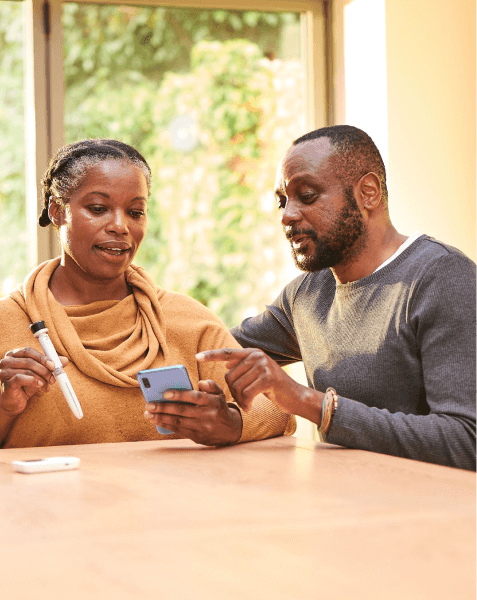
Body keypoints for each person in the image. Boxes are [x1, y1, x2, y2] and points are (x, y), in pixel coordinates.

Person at [147, 125, 476, 470]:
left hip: (435, 513)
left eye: (306, 195)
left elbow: (468, 440)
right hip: (345, 504)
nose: (287, 215)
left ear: (368, 193)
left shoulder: (443, 278)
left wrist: (309, 402)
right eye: (282, 201)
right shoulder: (307, 294)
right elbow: (216, 350)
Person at [0, 139, 294, 448]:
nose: (120, 227)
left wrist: (229, 423)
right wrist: (4, 408)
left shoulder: (186, 320)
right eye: (98, 209)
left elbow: (278, 409)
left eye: (136, 212)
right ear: (58, 212)